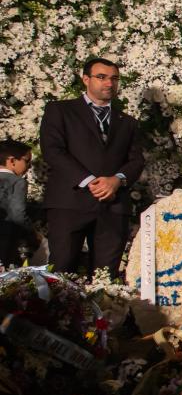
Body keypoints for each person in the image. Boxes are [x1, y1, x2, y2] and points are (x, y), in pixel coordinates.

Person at [39, 56, 144, 275]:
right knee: (62, 272)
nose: (109, 83)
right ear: (85, 79)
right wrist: (91, 182)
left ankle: (106, 311)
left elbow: (136, 160)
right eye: (102, 77)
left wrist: (117, 180)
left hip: (112, 206)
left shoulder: (127, 122)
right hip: (70, 202)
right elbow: (53, 151)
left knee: (106, 276)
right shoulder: (60, 111)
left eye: (114, 78)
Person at [0, 139, 36, 268]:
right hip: (6, 237)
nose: (30, 166)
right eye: (27, 161)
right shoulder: (17, 182)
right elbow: (18, 215)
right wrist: (33, 233)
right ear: (12, 161)